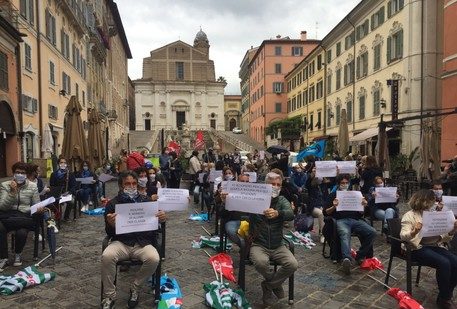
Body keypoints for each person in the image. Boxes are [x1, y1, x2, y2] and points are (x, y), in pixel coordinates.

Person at [101, 171, 166, 309]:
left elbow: (155, 228)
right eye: (127, 184)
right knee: (107, 255)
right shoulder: (112, 204)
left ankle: (135, 287)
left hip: (142, 243)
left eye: (134, 183)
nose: (131, 186)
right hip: (121, 242)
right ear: (120, 185)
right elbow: (108, 233)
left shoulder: (147, 201)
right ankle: (109, 295)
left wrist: (160, 220)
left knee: (154, 258)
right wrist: (111, 224)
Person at [400, 189, 457, 309]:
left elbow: (444, 237)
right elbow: (403, 235)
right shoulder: (410, 215)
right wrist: (414, 231)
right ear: (424, 201)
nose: (434, 204)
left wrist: (452, 229)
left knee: (455, 262)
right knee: (444, 263)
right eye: (432, 201)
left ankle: (444, 295)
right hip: (416, 248)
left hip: (434, 246)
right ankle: (445, 298)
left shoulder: (434, 214)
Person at [249, 172, 297, 306]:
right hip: (259, 244)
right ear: (265, 185)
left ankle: (268, 285)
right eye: (272, 184)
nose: (275, 187)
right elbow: (238, 206)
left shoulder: (282, 200)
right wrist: (226, 199)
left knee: (292, 264)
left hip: (278, 245)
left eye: (278, 185)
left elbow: (290, 214)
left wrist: (278, 213)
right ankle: (275, 284)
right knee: (261, 262)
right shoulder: (255, 198)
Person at [324, 174, 376, 275]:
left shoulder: (355, 194)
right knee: (344, 233)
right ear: (339, 184)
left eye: (346, 183)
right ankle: (346, 258)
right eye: (342, 183)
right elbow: (325, 212)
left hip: (355, 220)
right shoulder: (333, 195)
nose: (345, 185)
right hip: (341, 220)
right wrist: (334, 206)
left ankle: (360, 255)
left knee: (372, 232)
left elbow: (361, 213)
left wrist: (364, 206)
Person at [0, 162, 42, 268]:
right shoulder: (5, 185)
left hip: (24, 215)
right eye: (17, 172)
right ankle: (3, 257)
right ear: (13, 173)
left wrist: (39, 209)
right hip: (8, 215)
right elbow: (3, 207)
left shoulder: (32, 186)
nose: (20, 175)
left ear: (26, 174)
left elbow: (36, 204)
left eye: (22, 173)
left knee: (22, 232)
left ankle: (18, 254)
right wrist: (12, 192)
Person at [216, 173, 250, 247]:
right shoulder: (230, 194)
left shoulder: (254, 194)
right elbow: (221, 213)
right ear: (238, 182)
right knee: (231, 231)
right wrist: (225, 202)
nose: (245, 184)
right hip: (234, 220)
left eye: (247, 182)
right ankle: (244, 247)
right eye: (242, 181)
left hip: (250, 221)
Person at [49, 157, 77, 221]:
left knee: (71, 202)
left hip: (67, 193)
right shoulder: (54, 174)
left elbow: (74, 186)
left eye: (64, 162)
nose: (63, 164)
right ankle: (57, 215)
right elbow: (52, 186)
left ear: (67, 164)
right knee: (54, 201)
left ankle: (66, 217)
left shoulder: (70, 174)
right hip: (57, 194)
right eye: (61, 162)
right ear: (58, 164)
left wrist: (69, 192)